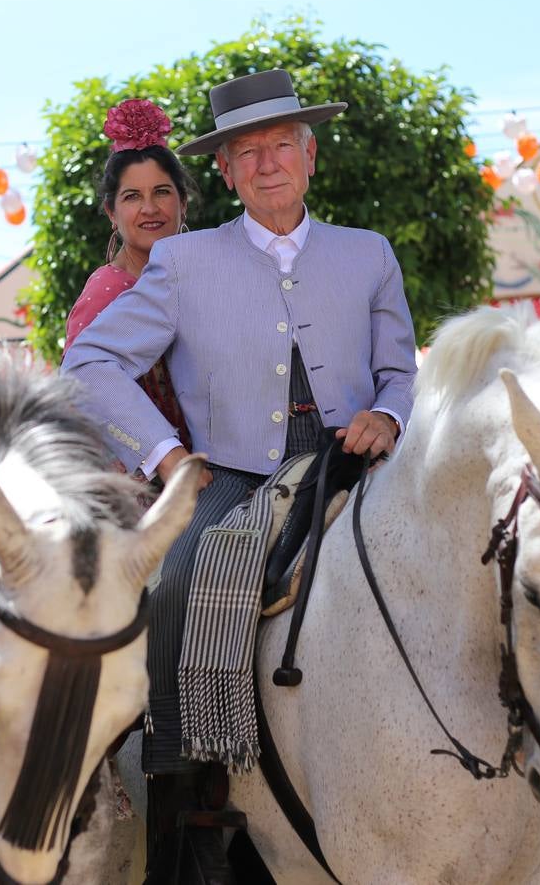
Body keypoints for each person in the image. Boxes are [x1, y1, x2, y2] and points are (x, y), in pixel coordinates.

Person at [62, 69, 417, 881]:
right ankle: (191, 805)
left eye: (280, 146)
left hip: (357, 466)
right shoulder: (184, 261)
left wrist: (389, 416)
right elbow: (91, 360)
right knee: (177, 584)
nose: (265, 164)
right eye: (245, 152)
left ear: (310, 154)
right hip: (235, 477)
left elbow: (401, 371)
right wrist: (167, 456)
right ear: (223, 172)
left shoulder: (369, 254)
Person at [63, 98, 194, 449]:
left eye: (162, 192)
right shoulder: (109, 291)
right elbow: (80, 400)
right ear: (111, 212)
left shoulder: (198, 279)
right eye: (133, 196)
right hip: (145, 488)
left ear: (183, 203)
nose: (150, 208)